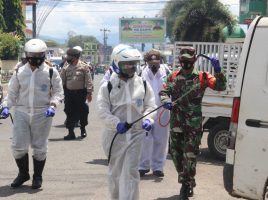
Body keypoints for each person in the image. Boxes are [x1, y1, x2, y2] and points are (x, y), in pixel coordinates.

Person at [160, 47, 226, 200]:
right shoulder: (173, 76)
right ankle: (187, 178)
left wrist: (218, 71)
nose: (185, 63)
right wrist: (165, 101)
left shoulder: (203, 77)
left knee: (189, 155)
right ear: (179, 61)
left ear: (194, 60)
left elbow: (220, 86)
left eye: (188, 61)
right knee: (176, 155)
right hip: (176, 122)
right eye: (183, 60)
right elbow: (164, 91)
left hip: (193, 124)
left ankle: (185, 185)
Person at [0, 38, 64, 189]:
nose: (35, 59)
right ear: (27, 55)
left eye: (38, 55)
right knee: (18, 146)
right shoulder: (19, 71)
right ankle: (23, 174)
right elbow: (12, 93)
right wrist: (5, 106)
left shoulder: (51, 72)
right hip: (21, 112)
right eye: (31, 55)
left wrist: (53, 105)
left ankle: (38, 176)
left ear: (44, 55)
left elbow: (59, 92)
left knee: (39, 146)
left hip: (43, 113)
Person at [97, 44, 157, 200]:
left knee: (131, 172)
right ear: (116, 64)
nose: (131, 68)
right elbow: (102, 111)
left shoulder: (142, 83)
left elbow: (151, 104)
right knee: (115, 172)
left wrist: (148, 119)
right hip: (114, 136)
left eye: (133, 64)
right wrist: (116, 123)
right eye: (126, 64)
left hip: (136, 134)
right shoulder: (108, 86)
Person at [139, 49, 170, 177]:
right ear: (146, 62)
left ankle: (158, 167)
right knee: (145, 139)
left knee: (161, 139)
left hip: (163, 110)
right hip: (146, 110)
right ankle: (143, 166)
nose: (154, 65)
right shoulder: (141, 73)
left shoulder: (167, 72)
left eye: (156, 62)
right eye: (151, 62)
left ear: (160, 61)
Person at [60, 47, 93, 140]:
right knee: (69, 111)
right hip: (69, 94)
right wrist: (61, 94)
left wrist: (89, 93)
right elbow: (61, 80)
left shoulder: (84, 66)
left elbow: (89, 80)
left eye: (70, 56)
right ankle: (71, 132)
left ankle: (83, 129)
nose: (68, 58)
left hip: (80, 94)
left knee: (83, 111)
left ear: (75, 57)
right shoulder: (65, 67)